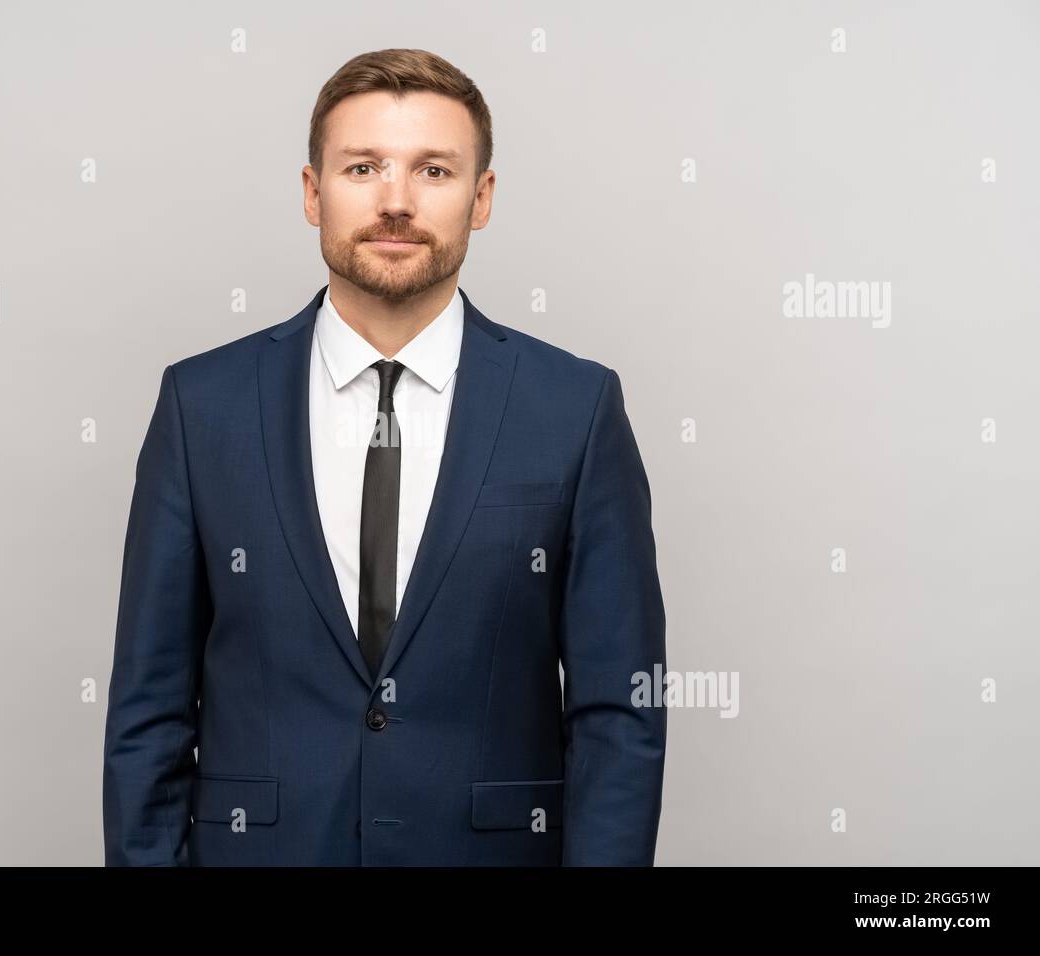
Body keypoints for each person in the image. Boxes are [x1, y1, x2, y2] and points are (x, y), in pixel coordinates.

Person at [102, 48, 667, 866]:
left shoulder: (575, 410)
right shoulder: (203, 406)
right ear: (312, 192)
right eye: (363, 167)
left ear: (482, 199)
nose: (395, 202)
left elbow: (621, 715)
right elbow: (147, 711)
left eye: (433, 171)